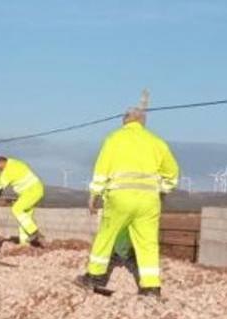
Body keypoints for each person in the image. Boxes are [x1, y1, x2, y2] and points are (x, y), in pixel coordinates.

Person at [77, 92, 179, 297]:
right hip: (149, 200)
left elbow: (102, 168)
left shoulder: (114, 138)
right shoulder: (157, 142)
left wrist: (94, 193)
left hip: (120, 197)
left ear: (125, 121)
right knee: (148, 242)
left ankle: (94, 277)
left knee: (106, 235)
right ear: (143, 122)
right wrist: (163, 191)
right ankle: (151, 287)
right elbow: (172, 174)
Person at [0, 156, 44, 246]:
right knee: (24, 218)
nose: (0, 171)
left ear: (1, 164)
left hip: (30, 191)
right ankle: (24, 243)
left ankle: (34, 231)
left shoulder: (7, 171)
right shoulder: (16, 162)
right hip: (36, 189)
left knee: (16, 209)